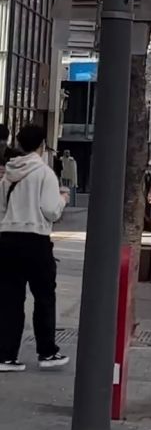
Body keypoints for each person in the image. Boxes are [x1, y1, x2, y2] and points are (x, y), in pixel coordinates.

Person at [0, 122, 70, 371]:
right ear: (41, 146)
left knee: (10, 299)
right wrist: (62, 199)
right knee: (43, 297)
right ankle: (47, 352)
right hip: (35, 239)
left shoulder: (8, 174)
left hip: (7, 239)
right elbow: (50, 211)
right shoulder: (44, 173)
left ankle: (6, 356)